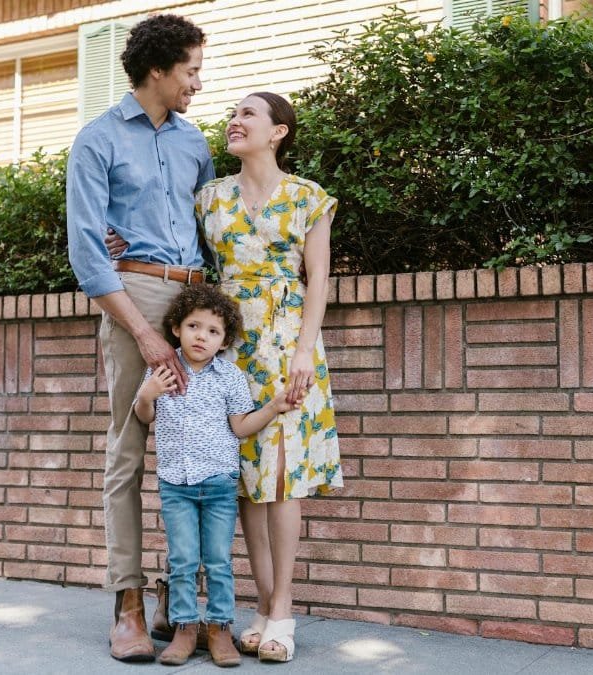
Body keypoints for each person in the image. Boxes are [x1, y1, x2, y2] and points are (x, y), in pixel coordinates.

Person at [105, 91, 343, 663]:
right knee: (246, 482)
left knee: (282, 478)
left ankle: (283, 610)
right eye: (233, 114)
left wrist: (304, 352)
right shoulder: (210, 197)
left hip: (288, 344)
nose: (234, 122)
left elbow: (318, 279)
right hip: (229, 349)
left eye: (248, 114)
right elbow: (165, 231)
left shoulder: (308, 197)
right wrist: (121, 239)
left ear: (278, 131)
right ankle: (260, 607)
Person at [64, 13, 214, 662]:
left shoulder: (194, 141)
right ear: (158, 69)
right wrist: (144, 332)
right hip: (137, 295)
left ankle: (179, 599)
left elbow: (212, 223)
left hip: (196, 298)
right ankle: (126, 599)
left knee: (200, 451)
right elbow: (86, 251)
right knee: (128, 450)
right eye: (190, 71)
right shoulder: (97, 140)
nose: (197, 83)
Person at [133, 285, 296, 667]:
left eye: (212, 331)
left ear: (223, 341)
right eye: (193, 326)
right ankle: (185, 629)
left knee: (219, 560)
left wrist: (273, 407)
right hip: (177, 485)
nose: (201, 336)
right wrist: (147, 394)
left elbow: (240, 427)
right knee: (183, 560)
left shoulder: (230, 377)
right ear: (177, 328)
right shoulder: (162, 370)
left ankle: (220, 628)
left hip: (219, 485)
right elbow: (145, 416)